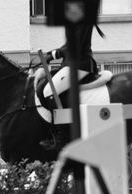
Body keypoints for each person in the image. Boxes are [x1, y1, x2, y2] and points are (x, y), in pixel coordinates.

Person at [33, 23, 101, 151]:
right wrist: (52, 54)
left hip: (81, 65)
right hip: (69, 64)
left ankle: (62, 138)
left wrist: (55, 54)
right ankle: (53, 132)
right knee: (42, 88)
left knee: (49, 91)